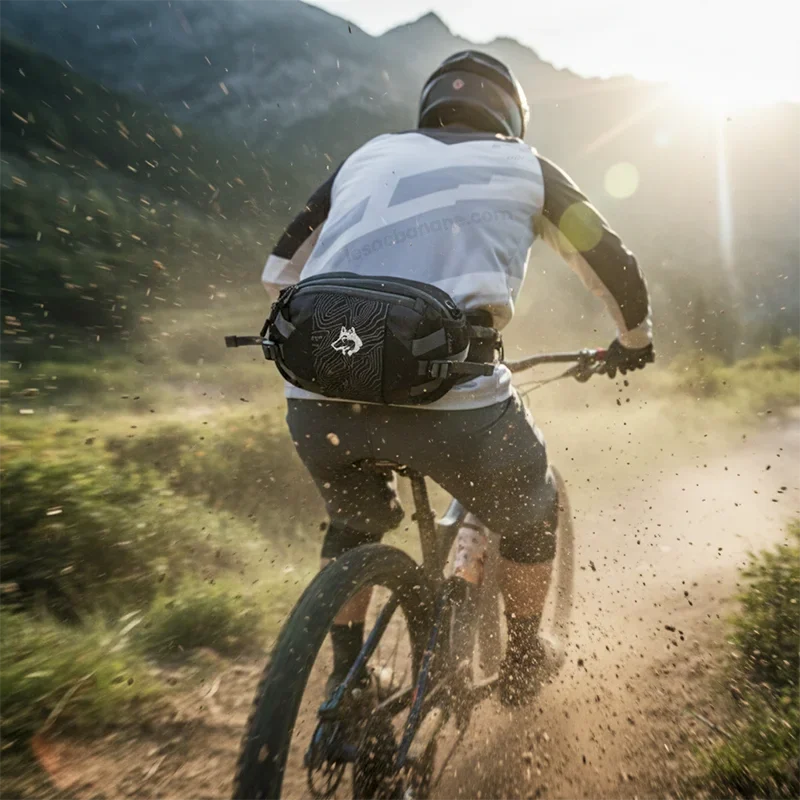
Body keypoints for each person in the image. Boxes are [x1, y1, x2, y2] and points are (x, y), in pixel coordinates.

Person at [261, 50, 654, 706]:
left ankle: (345, 685)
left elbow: (278, 270)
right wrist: (633, 340)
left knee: (353, 522)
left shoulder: (367, 155)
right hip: (457, 407)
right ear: (511, 116)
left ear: (431, 104)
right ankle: (525, 659)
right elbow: (610, 258)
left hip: (318, 397)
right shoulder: (529, 167)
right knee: (530, 510)